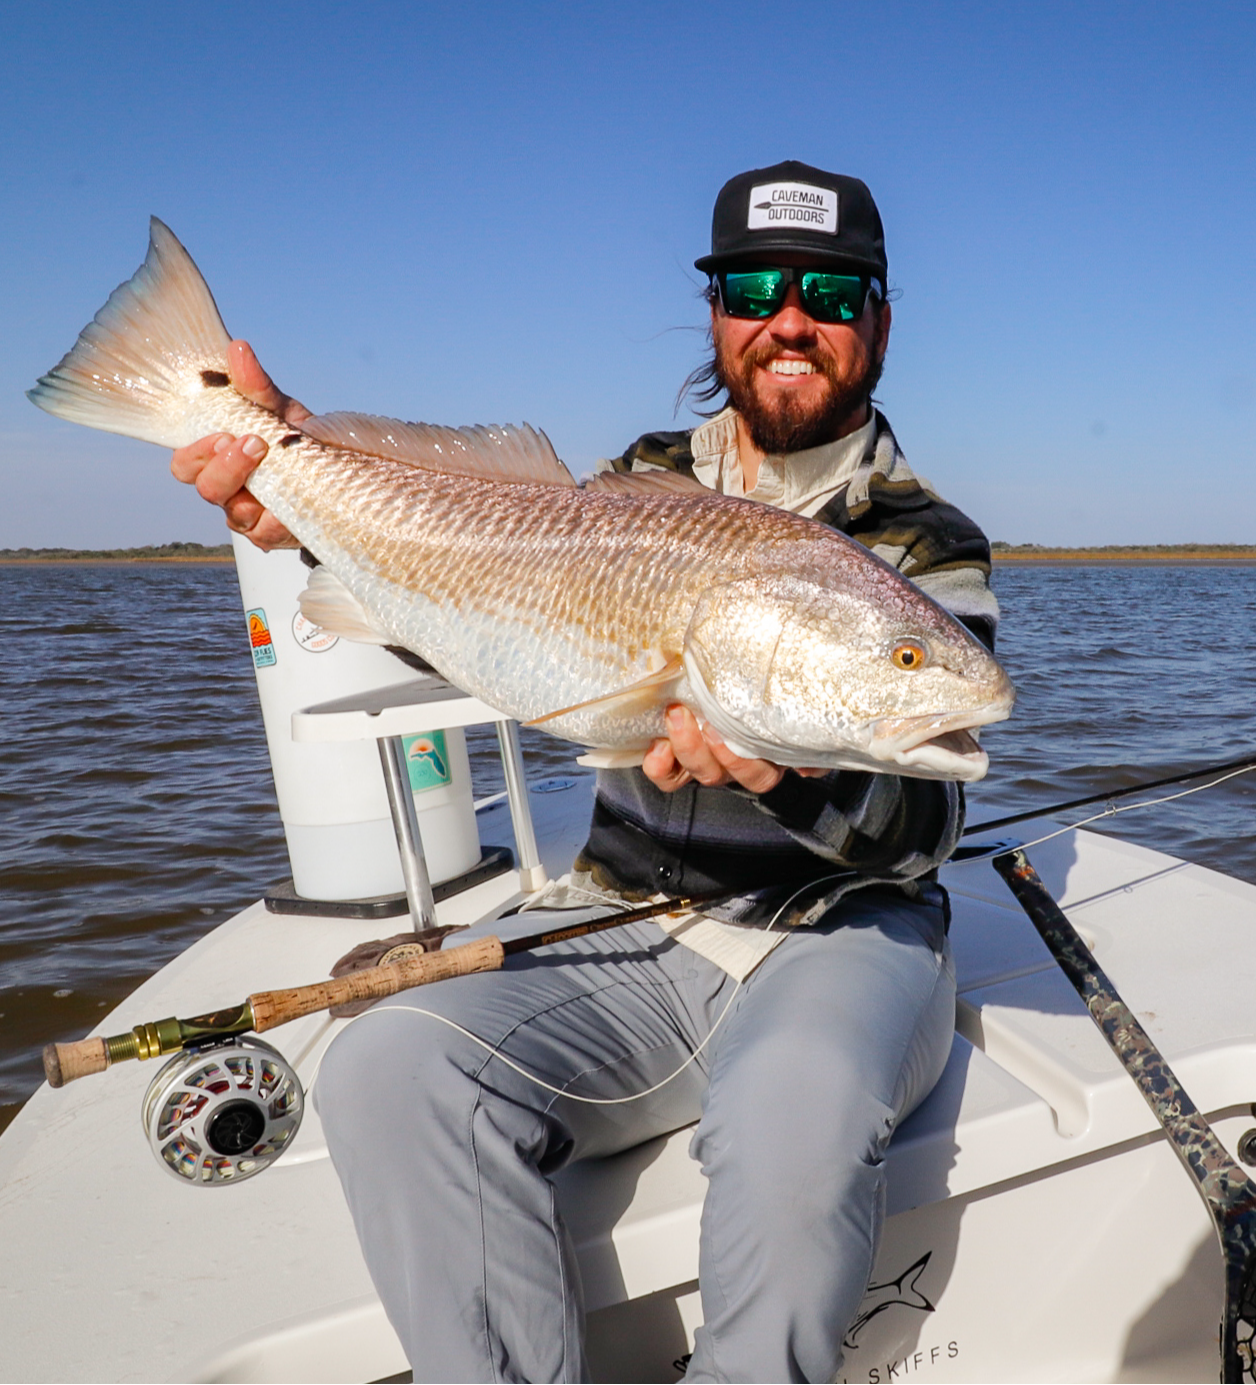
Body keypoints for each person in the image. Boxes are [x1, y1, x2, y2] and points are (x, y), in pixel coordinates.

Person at [171, 160, 998, 1385]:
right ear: (715, 308)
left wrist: (780, 779)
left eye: (828, 291)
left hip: (841, 931)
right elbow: (492, 621)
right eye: (755, 285)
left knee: (793, 1116)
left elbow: (923, 825)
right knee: (389, 1067)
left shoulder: (927, 540)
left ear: (875, 319)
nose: (788, 318)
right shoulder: (640, 482)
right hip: (625, 922)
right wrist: (306, 486)